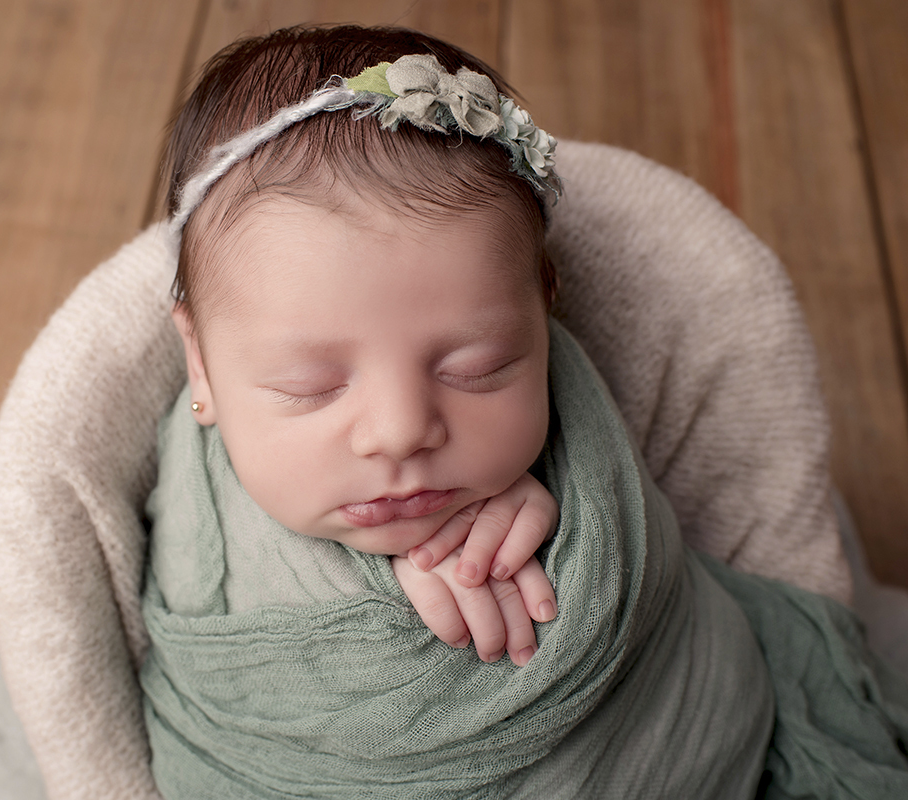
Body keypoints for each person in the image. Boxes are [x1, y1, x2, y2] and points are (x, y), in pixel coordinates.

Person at [140, 24, 908, 800]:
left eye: (477, 368)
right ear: (200, 360)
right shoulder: (195, 513)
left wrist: (579, 525)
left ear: (544, 314)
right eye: (311, 385)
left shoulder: (580, 448)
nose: (403, 429)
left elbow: (661, 630)